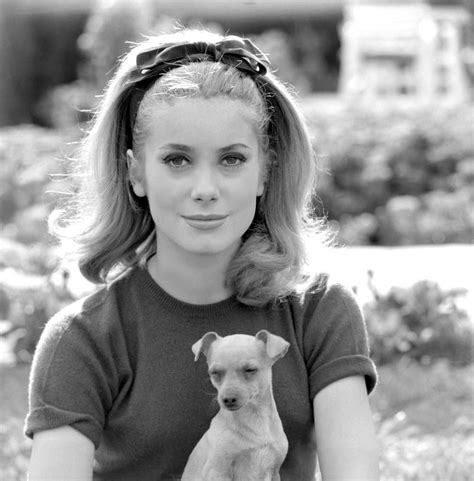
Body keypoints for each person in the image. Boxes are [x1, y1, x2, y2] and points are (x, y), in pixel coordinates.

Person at [25, 28, 379, 481]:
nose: (205, 190)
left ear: (265, 172)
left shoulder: (319, 312)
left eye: (232, 159)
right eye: (177, 160)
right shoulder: (84, 338)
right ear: (136, 173)